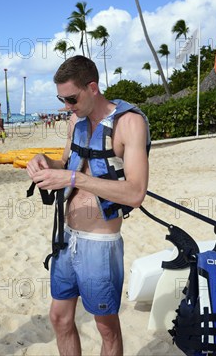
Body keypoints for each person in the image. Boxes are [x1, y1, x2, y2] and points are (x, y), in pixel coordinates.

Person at [26, 56, 150, 355]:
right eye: (61, 99)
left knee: (106, 328)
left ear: (92, 87)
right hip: (67, 238)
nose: (66, 106)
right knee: (59, 317)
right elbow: (70, 162)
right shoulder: (76, 121)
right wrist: (46, 161)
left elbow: (135, 193)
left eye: (71, 98)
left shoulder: (129, 123)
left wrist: (71, 178)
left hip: (100, 242)